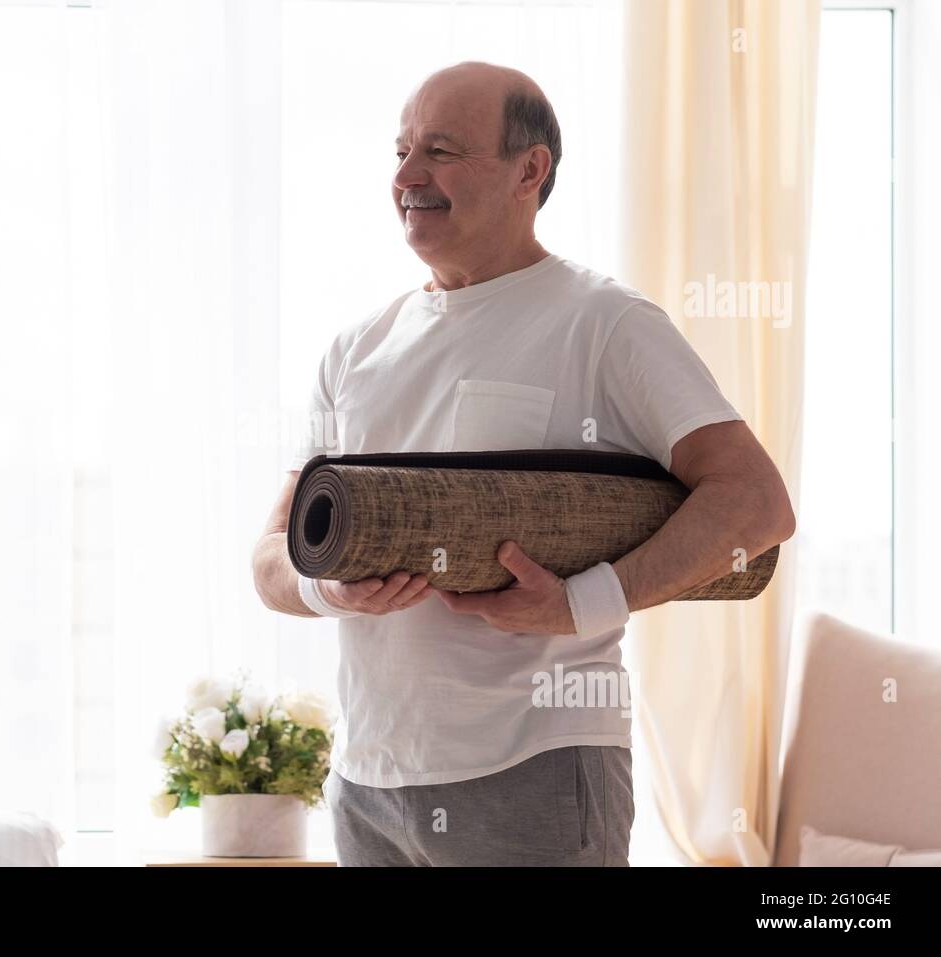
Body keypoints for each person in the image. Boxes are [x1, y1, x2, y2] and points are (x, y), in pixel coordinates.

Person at [251, 61, 795, 866]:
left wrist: (583, 603)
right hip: (367, 783)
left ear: (529, 170)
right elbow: (271, 557)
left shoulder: (605, 322)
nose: (407, 176)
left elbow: (755, 503)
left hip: (535, 767)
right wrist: (326, 587)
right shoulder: (354, 347)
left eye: (439, 150)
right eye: (400, 151)